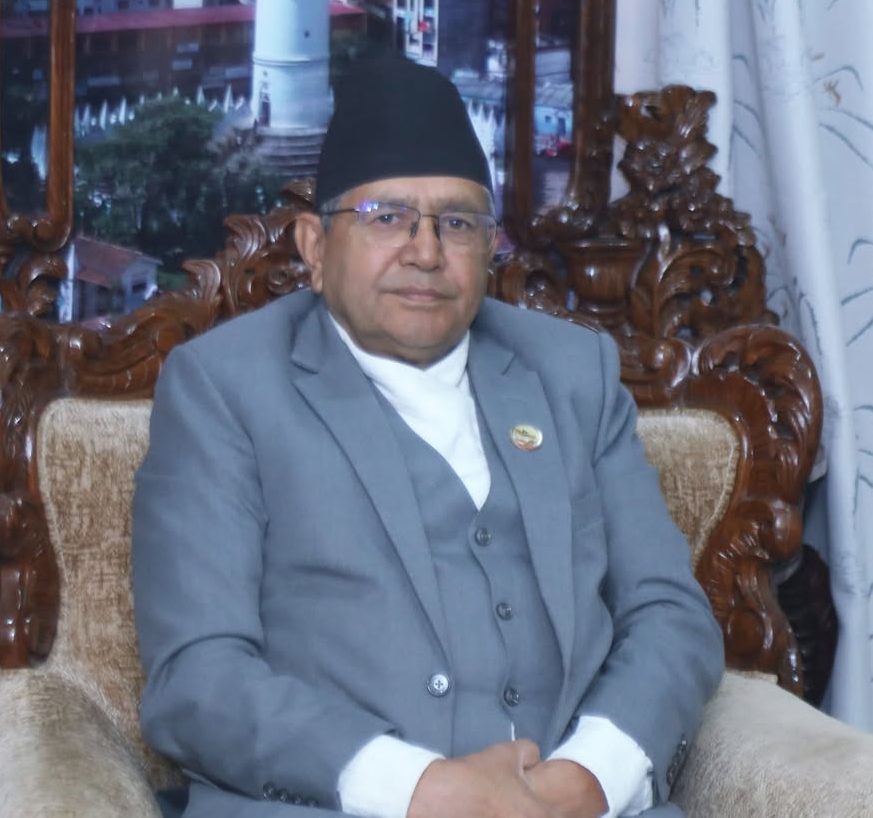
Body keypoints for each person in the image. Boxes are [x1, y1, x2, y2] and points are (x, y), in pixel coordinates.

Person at [132, 59, 722, 818]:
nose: (426, 251)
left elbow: (670, 614)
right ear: (314, 247)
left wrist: (588, 780)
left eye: (458, 223)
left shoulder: (575, 373)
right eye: (387, 217)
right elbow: (197, 677)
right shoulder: (223, 387)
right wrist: (423, 790)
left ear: (489, 246)